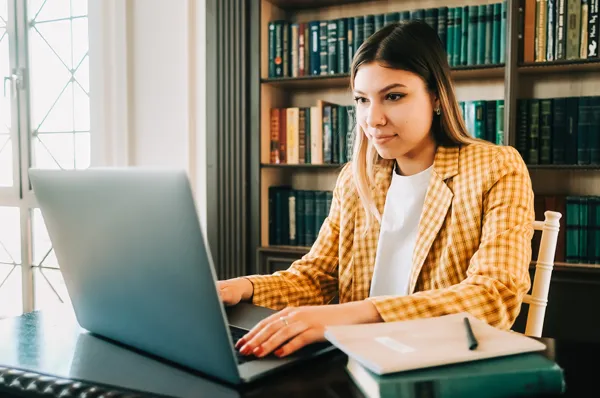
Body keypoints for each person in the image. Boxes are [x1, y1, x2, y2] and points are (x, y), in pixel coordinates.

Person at [218, 20, 535, 359]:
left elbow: (494, 295)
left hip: (441, 363)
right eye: (362, 100)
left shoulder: (495, 167)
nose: (373, 119)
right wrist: (243, 288)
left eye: (393, 96)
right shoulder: (356, 179)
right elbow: (316, 277)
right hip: (358, 359)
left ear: (437, 97)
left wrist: (350, 316)